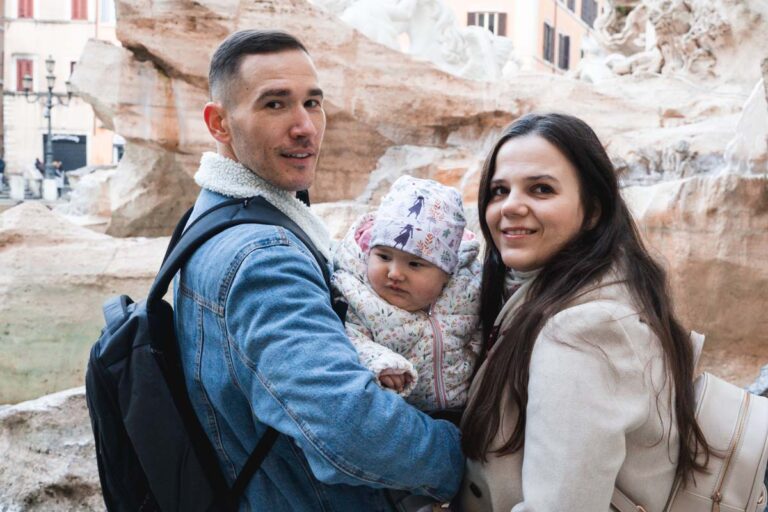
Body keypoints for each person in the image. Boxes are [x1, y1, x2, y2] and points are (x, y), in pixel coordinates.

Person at [173, 29, 463, 511]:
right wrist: (460, 457)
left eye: (313, 102)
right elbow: (349, 428)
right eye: (275, 105)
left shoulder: (211, 213)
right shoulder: (263, 257)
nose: (305, 126)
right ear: (219, 124)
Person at [459, 113, 709, 511]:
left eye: (540, 189)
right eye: (499, 190)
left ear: (592, 210)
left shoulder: (584, 329)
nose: (511, 207)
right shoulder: (596, 289)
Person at [332, 175, 481, 410]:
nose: (395, 273)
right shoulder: (358, 294)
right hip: (400, 415)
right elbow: (349, 337)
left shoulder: (469, 289)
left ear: (446, 272)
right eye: (384, 257)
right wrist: (381, 363)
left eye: (414, 264)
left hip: (467, 410)